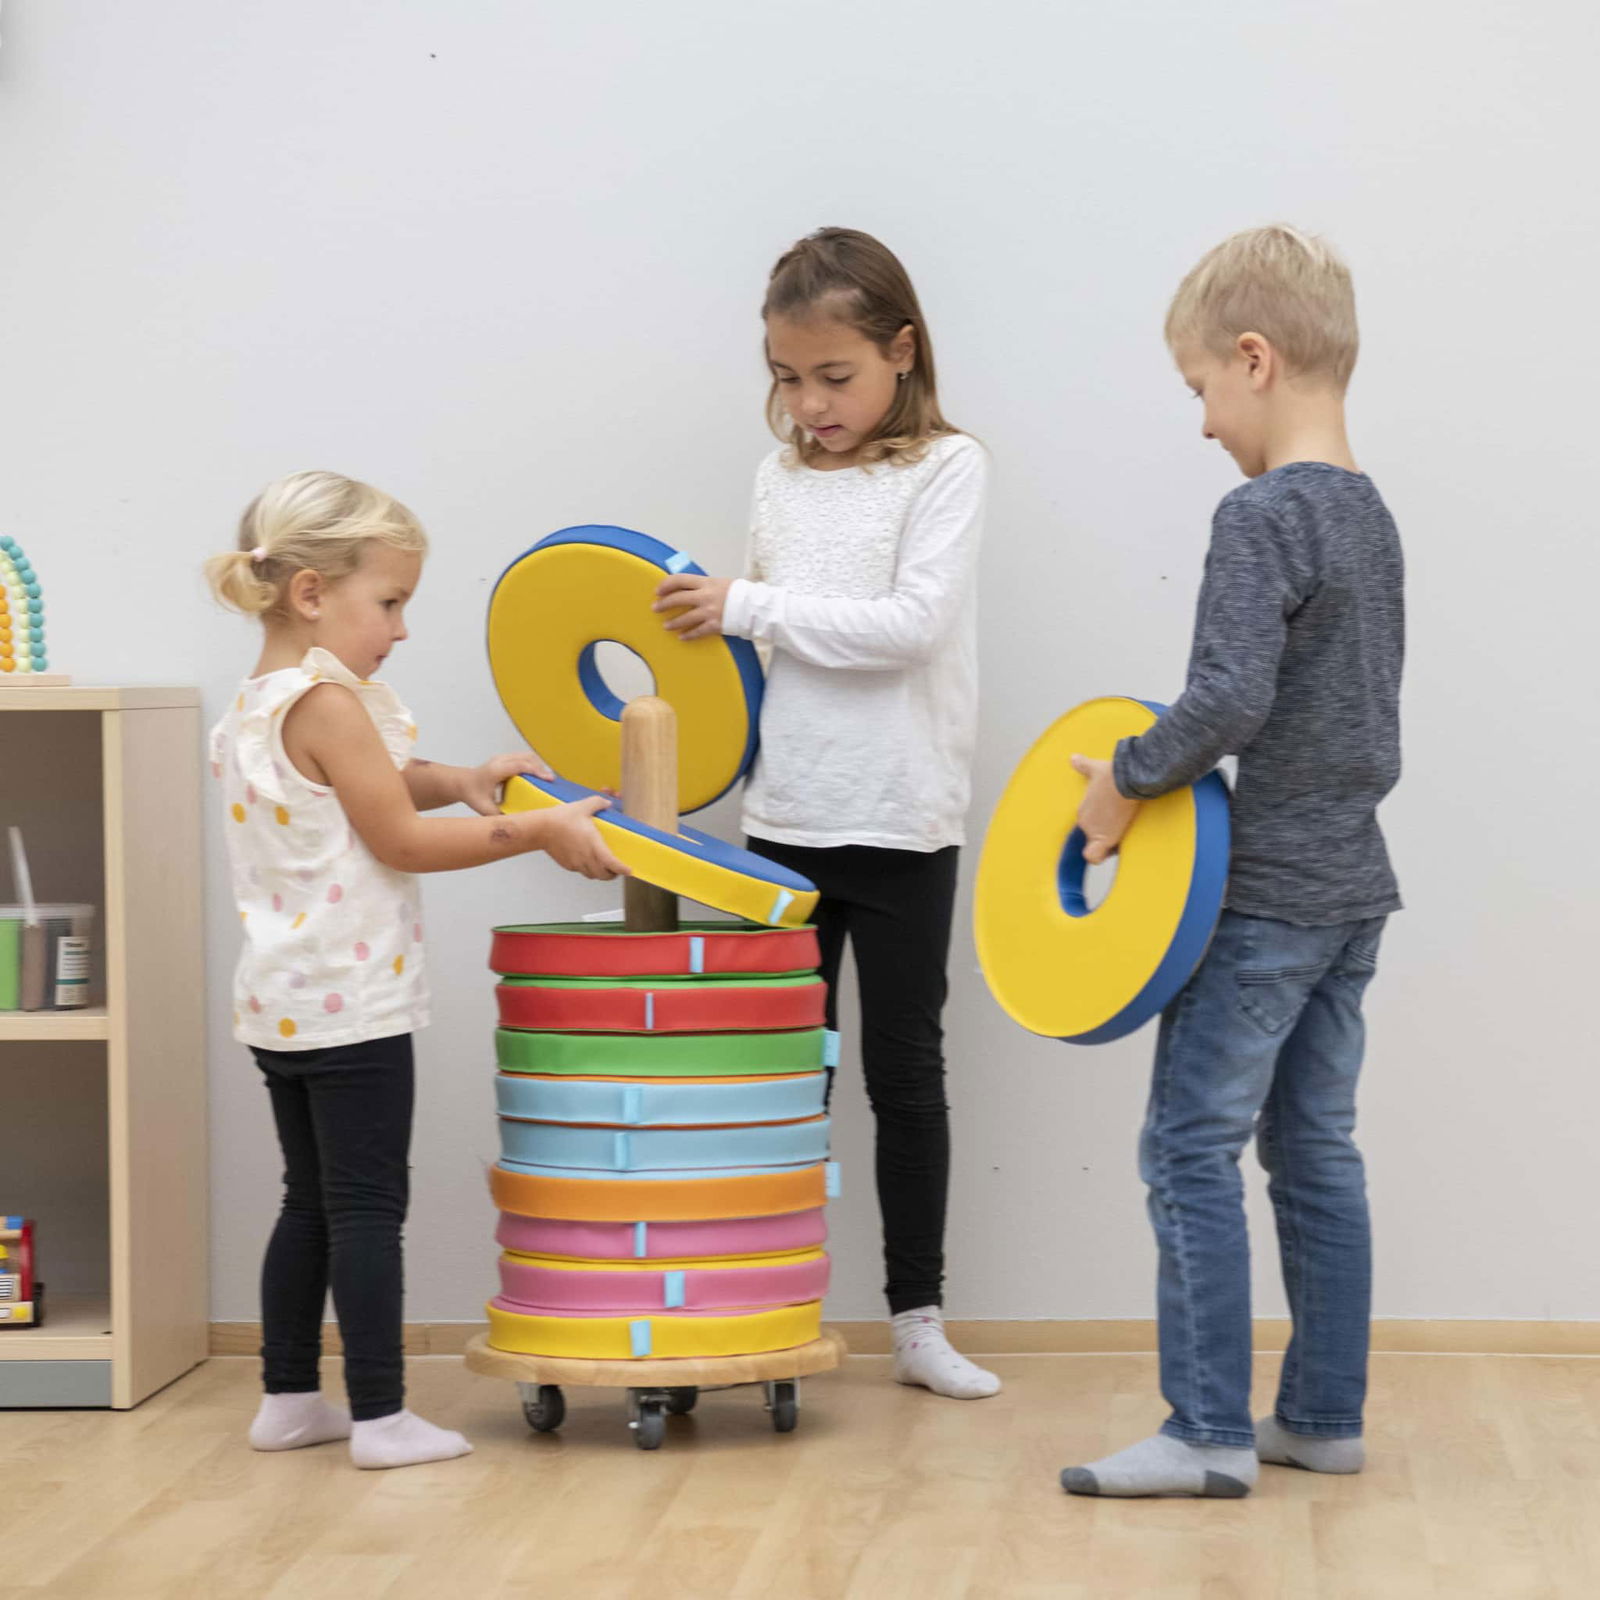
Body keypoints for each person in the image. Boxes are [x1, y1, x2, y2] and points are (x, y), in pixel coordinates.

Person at [1063, 225, 1404, 1497]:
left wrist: (1122, 779)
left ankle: (1205, 1429)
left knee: (1185, 1147)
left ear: (1254, 360)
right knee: (1313, 1150)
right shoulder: (1370, 516)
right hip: (1353, 887)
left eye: (1200, 386)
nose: (1204, 422)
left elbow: (1224, 699)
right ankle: (1321, 1417)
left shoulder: (1262, 513)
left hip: (1261, 897)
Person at [206, 469, 626, 1469]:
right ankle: (382, 1414)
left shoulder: (259, 703)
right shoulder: (331, 702)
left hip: (284, 1003)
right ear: (312, 592)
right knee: (365, 1208)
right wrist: (537, 830)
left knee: (309, 1201)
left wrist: (467, 780)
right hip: (352, 1006)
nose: (400, 629)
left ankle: (288, 1398)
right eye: (390, 603)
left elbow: (377, 788)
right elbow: (398, 836)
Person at [653, 228, 998, 1399]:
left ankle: (917, 1321)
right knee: (776, 1080)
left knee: (903, 1078)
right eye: (787, 377)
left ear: (901, 350)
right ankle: (757, 1309)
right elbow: (759, 655)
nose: (810, 404)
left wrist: (745, 604)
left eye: (834, 376)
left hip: (901, 819)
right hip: (788, 815)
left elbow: (910, 628)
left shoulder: (948, 469)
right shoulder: (779, 477)